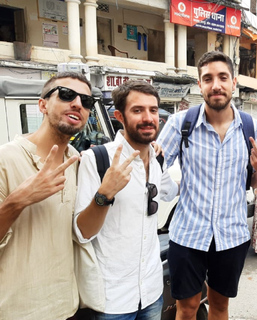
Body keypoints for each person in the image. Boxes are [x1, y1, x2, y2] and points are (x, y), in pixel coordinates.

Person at [157, 51, 257, 320]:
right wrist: (173, 189)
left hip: (231, 235)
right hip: (187, 234)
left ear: (233, 83)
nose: (216, 85)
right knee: (186, 308)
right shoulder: (181, 123)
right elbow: (154, 168)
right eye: (208, 78)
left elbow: (252, 180)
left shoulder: (251, 126)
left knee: (220, 307)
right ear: (200, 85)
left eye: (222, 77)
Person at [74, 80, 179, 319]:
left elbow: (171, 191)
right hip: (112, 300)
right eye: (137, 110)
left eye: (153, 110)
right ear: (119, 115)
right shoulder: (97, 159)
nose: (148, 117)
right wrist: (105, 194)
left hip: (152, 292)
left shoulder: (157, 159)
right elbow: (82, 233)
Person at [0, 72, 93, 319]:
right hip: (18, 310)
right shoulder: (5, 159)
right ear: (42, 104)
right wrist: (18, 200)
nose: (77, 104)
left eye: (86, 101)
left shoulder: (76, 161)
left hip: (67, 306)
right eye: (66, 95)